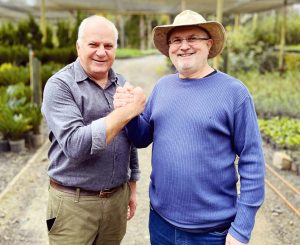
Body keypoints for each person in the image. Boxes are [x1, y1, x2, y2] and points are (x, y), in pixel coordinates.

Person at [114, 10, 265, 245]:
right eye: (176, 40)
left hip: (211, 233)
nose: (184, 46)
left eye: (193, 38)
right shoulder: (163, 86)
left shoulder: (234, 92)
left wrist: (242, 229)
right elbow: (143, 137)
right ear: (169, 48)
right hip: (161, 223)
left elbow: (252, 160)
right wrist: (130, 113)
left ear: (209, 44)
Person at [41, 15, 145, 245]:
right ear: (79, 47)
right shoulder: (59, 86)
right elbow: (76, 145)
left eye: (108, 46)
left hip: (116, 199)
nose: (101, 52)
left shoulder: (120, 81)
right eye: (93, 44)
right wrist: (126, 112)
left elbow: (128, 139)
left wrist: (132, 186)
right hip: (73, 204)